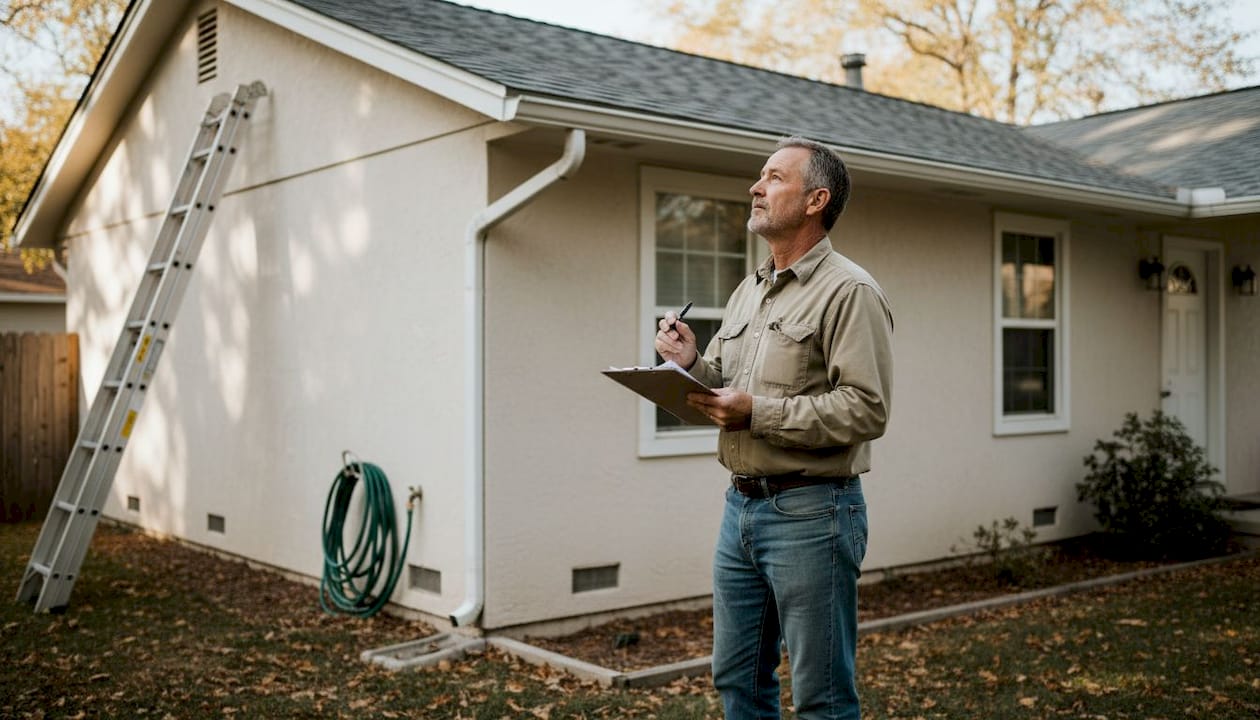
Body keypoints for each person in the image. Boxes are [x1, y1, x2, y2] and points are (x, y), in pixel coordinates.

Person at [655, 136, 893, 720]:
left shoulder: (849, 291)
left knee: (822, 697)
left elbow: (866, 409)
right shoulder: (750, 290)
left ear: (816, 199)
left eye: (774, 178)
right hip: (740, 509)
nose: (756, 187)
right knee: (737, 678)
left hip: (813, 514)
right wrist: (690, 365)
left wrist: (756, 413)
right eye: (760, 177)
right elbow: (727, 387)